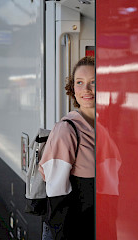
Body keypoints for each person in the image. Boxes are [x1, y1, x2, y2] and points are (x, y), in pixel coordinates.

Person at [38, 56, 95, 239]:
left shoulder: (107, 129)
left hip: (95, 225)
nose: (86, 89)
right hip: (69, 230)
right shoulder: (67, 130)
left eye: (94, 82)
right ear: (73, 88)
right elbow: (56, 192)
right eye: (79, 82)